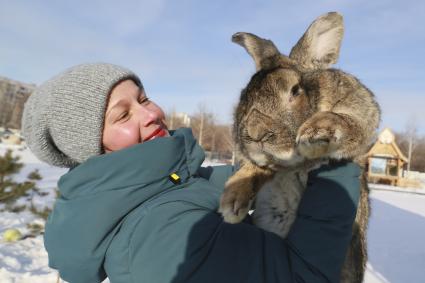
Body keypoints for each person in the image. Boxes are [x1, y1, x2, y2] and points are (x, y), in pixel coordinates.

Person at [22, 63, 361, 283]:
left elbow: (225, 182)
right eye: (123, 116)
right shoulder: (157, 238)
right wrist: (333, 158)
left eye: (144, 98)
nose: (150, 114)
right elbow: (302, 275)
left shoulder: (169, 183)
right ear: (91, 147)